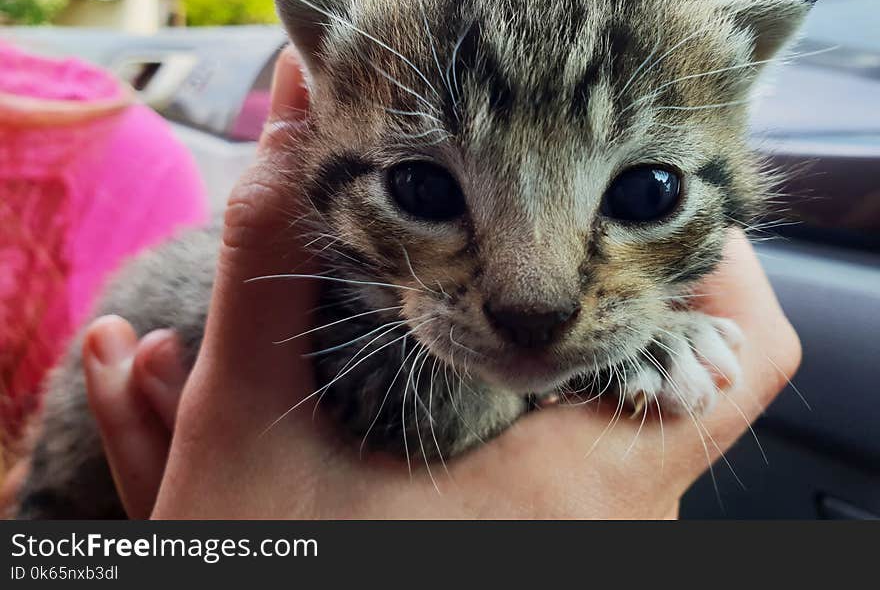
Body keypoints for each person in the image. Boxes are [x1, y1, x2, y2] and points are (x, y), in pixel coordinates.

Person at [2, 47, 801, 519]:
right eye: (426, 190)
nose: (535, 302)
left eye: (643, 193)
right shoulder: (335, 298)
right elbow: (420, 422)